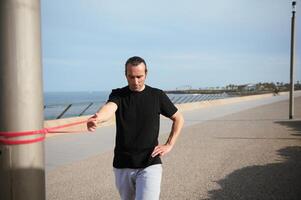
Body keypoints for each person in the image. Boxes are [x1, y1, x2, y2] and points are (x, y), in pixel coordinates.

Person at [87, 56, 184, 200]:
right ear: (125, 75)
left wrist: (169, 144)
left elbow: (178, 119)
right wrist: (97, 118)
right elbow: (109, 108)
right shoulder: (118, 94)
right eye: (131, 77)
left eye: (139, 76)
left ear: (146, 74)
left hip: (150, 163)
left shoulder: (157, 95)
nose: (135, 81)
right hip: (122, 164)